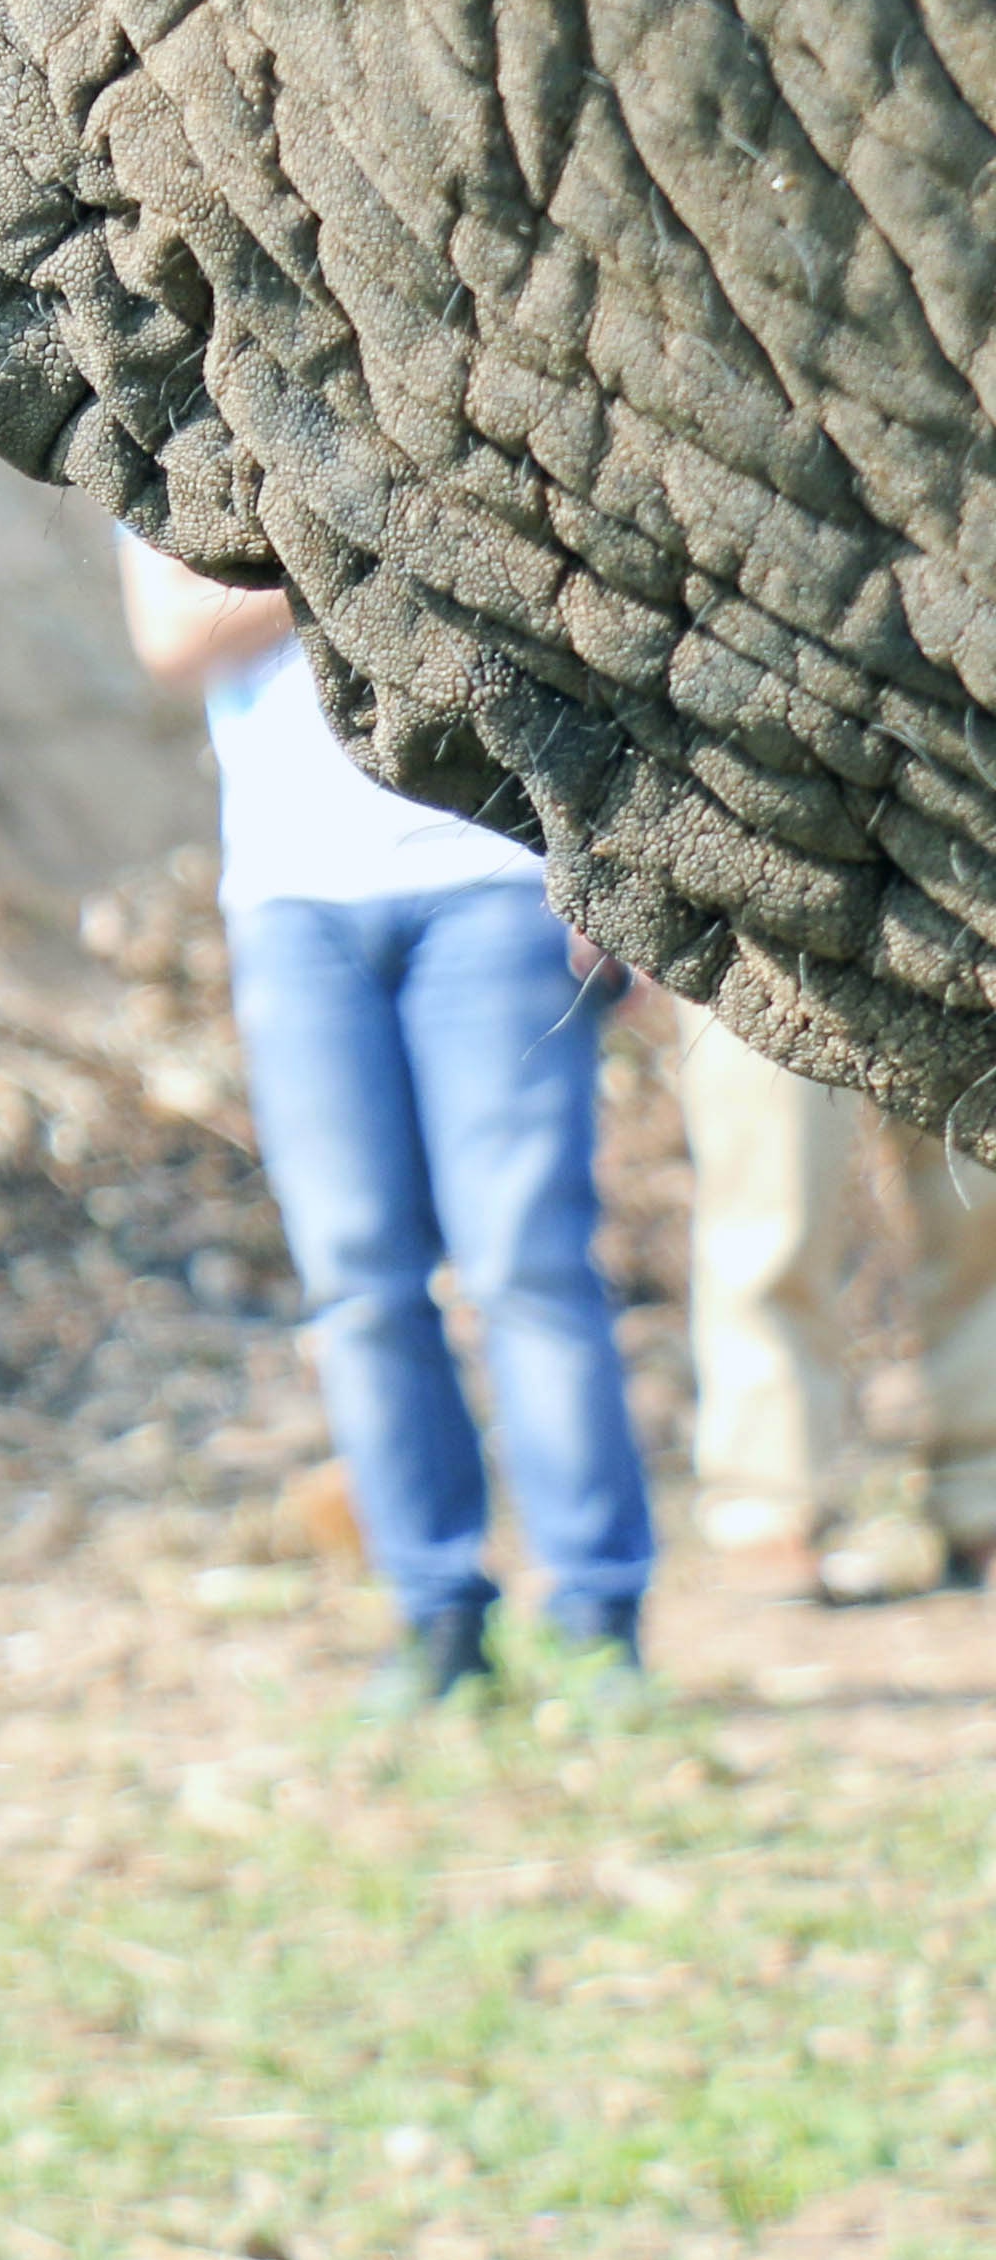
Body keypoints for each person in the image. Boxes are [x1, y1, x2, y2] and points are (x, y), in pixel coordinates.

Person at [118, 541, 652, 1710]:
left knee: (527, 1261)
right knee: (357, 1279)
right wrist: (348, 540)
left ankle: (596, 1616)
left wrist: (612, 864)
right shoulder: (180, 448)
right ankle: (436, 1616)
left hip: (496, 878)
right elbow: (169, 632)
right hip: (291, 903)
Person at [676, 1010, 996, 1601]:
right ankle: (767, 1502)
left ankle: (985, 1495)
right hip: (771, 953)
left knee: (983, 1202)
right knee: (767, 1206)